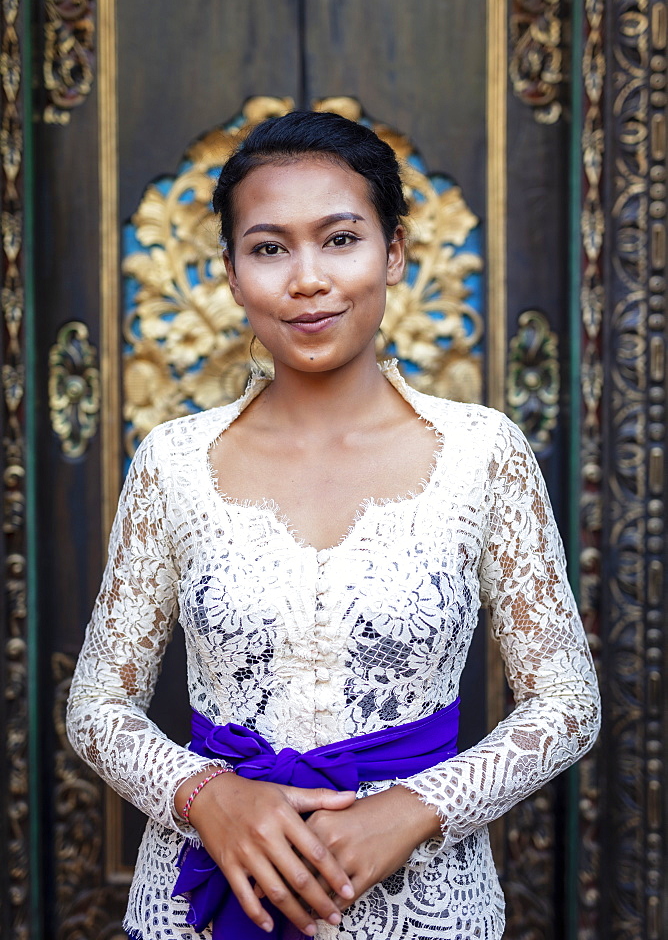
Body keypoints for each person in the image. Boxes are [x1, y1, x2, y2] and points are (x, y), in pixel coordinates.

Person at [67, 110, 600, 940]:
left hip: (427, 904)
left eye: (340, 239)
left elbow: (566, 700)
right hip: (203, 899)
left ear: (392, 254)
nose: (306, 278)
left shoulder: (481, 453)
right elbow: (98, 704)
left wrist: (416, 808)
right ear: (233, 275)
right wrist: (207, 796)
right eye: (269, 247)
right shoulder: (173, 464)